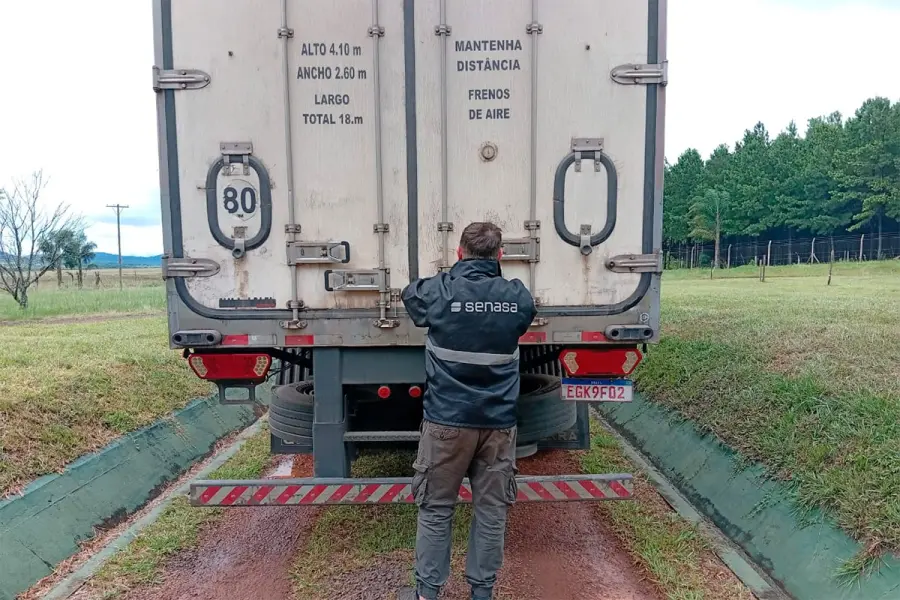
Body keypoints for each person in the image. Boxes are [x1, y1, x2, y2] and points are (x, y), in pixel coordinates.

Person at [401, 222, 537, 600]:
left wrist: (449, 277)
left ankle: (427, 594)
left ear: (459, 253)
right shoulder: (516, 297)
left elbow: (410, 295)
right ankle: (482, 593)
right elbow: (524, 315)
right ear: (500, 256)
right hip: (498, 426)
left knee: (436, 509)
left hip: (446, 423)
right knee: (491, 511)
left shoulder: (440, 291)